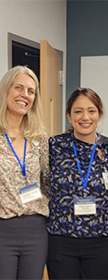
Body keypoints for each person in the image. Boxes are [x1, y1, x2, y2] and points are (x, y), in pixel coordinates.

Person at [47, 88, 108, 279]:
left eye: (91, 111)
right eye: (78, 111)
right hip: (61, 239)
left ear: (100, 114)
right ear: (69, 116)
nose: (85, 117)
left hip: (102, 240)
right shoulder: (54, 146)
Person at [0, 65, 49, 279]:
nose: (25, 95)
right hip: (3, 229)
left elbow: (48, 182)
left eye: (31, 91)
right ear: (6, 91)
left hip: (35, 230)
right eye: (18, 88)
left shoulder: (39, 138)